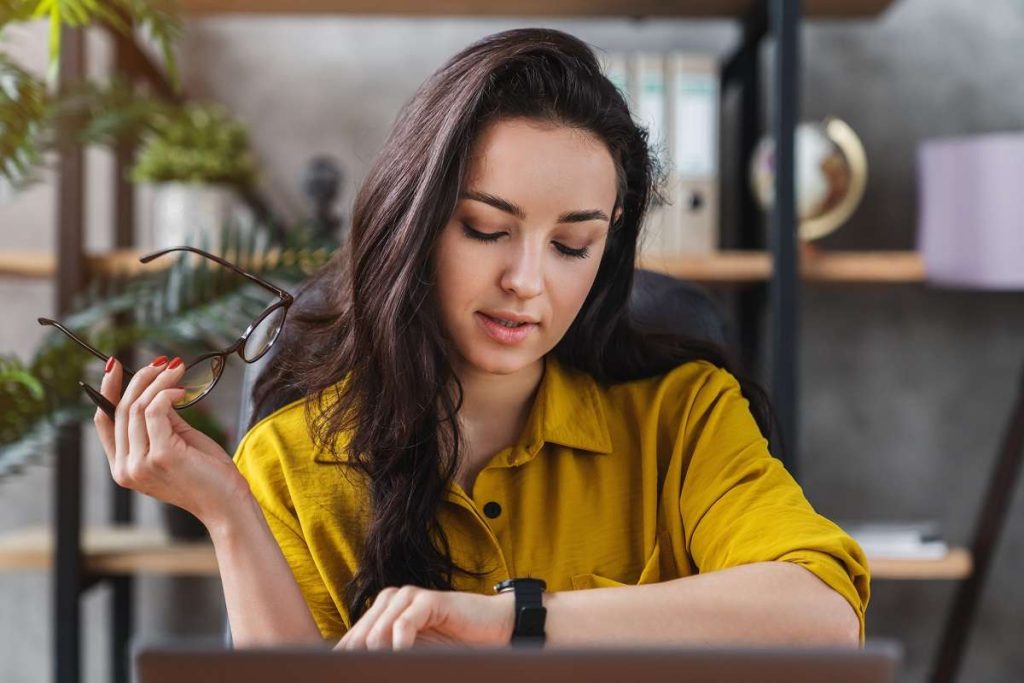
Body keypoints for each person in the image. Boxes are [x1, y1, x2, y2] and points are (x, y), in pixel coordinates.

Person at [91, 27, 870, 652]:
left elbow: (824, 613)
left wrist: (514, 621)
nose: (528, 280)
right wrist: (229, 512)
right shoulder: (295, 458)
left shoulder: (685, 416)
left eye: (572, 245)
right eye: (487, 229)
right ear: (417, 223)